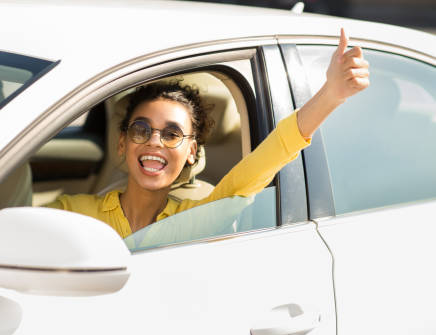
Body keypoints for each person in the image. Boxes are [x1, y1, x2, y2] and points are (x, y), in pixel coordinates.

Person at [46, 28, 369, 238]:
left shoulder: (195, 220)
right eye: (141, 129)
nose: (155, 141)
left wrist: (331, 95)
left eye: (172, 134)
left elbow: (264, 160)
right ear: (122, 142)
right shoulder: (73, 211)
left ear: (192, 152)